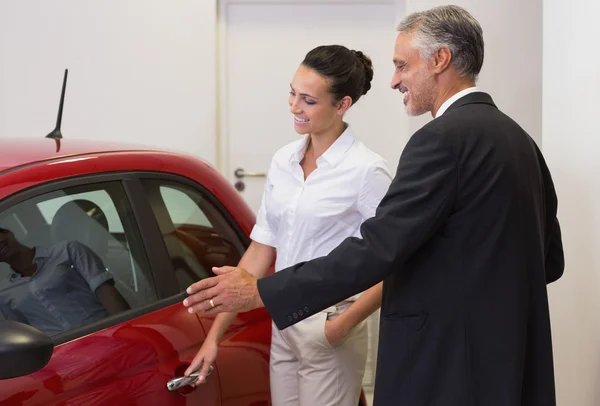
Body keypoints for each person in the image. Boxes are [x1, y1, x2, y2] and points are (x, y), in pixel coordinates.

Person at [183, 5, 564, 406]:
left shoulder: (438, 140)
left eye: (402, 65)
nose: (394, 80)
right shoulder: (520, 140)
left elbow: (379, 249)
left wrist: (265, 292)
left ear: (440, 60)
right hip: (508, 354)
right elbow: (549, 260)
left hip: (446, 361)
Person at [184, 45, 392, 406]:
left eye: (308, 100)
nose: (294, 106)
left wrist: (340, 326)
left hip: (331, 326)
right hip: (283, 322)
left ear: (342, 105)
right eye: (293, 93)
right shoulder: (283, 160)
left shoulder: (367, 171)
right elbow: (260, 251)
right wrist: (215, 335)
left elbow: (396, 261)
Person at [0, 227, 130, 336]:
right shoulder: (3, 294)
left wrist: (125, 331)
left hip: (106, 337)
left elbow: (105, 291)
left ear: (7, 233)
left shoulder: (68, 250)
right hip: (63, 359)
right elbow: (25, 336)